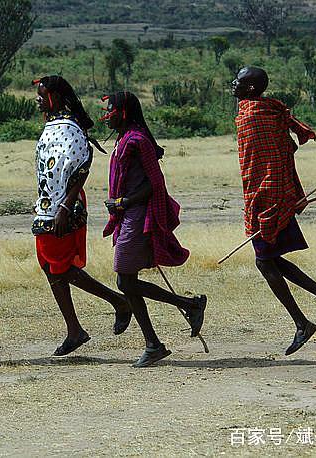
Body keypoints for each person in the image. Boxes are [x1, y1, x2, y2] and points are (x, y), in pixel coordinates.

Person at [231, 66, 316, 355]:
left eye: (239, 82)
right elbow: (276, 154)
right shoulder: (262, 111)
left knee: (264, 261)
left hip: (268, 196)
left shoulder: (257, 115)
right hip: (269, 193)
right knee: (270, 259)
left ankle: (303, 322)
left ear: (252, 89)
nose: (233, 84)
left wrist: (279, 197)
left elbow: (272, 161)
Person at [101, 91, 206, 368]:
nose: (107, 115)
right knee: (126, 281)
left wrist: (123, 201)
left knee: (125, 280)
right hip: (127, 215)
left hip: (137, 215)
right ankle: (178, 316)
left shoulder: (138, 140)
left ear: (123, 112)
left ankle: (158, 339)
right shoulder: (124, 138)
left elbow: (154, 182)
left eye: (111, 110)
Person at [32, 75, 132, 357]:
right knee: (50, 266)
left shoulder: (69, 127)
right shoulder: (54, 124)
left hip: (64, 204)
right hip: (47, 203)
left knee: (59, 266)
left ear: (55, 97)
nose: (38, 99)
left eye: (42, 95)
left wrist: (65, 206)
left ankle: (117, 303)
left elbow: (81, 166)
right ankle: (76, 329)